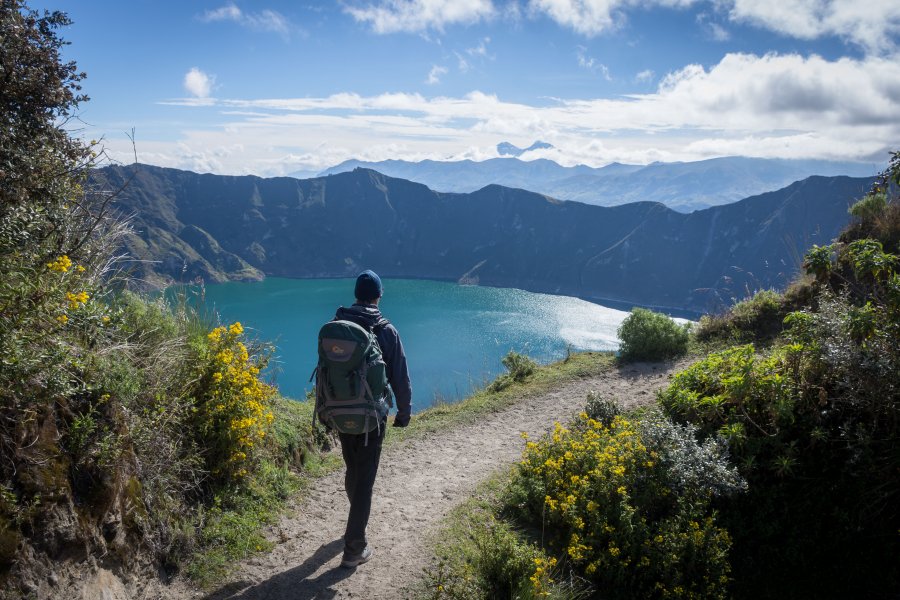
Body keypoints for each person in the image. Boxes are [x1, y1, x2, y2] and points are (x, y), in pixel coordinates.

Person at [332, 270, 412, 568]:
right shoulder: (386, 330)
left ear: (356, 294)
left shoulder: (337, 325)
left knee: (353, 467)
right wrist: (404, 412)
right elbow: (400, 376)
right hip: (372, 417)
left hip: (340, 412)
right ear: (378, 296)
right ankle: (355, 547)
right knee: (364, 479)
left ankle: (356, 518)